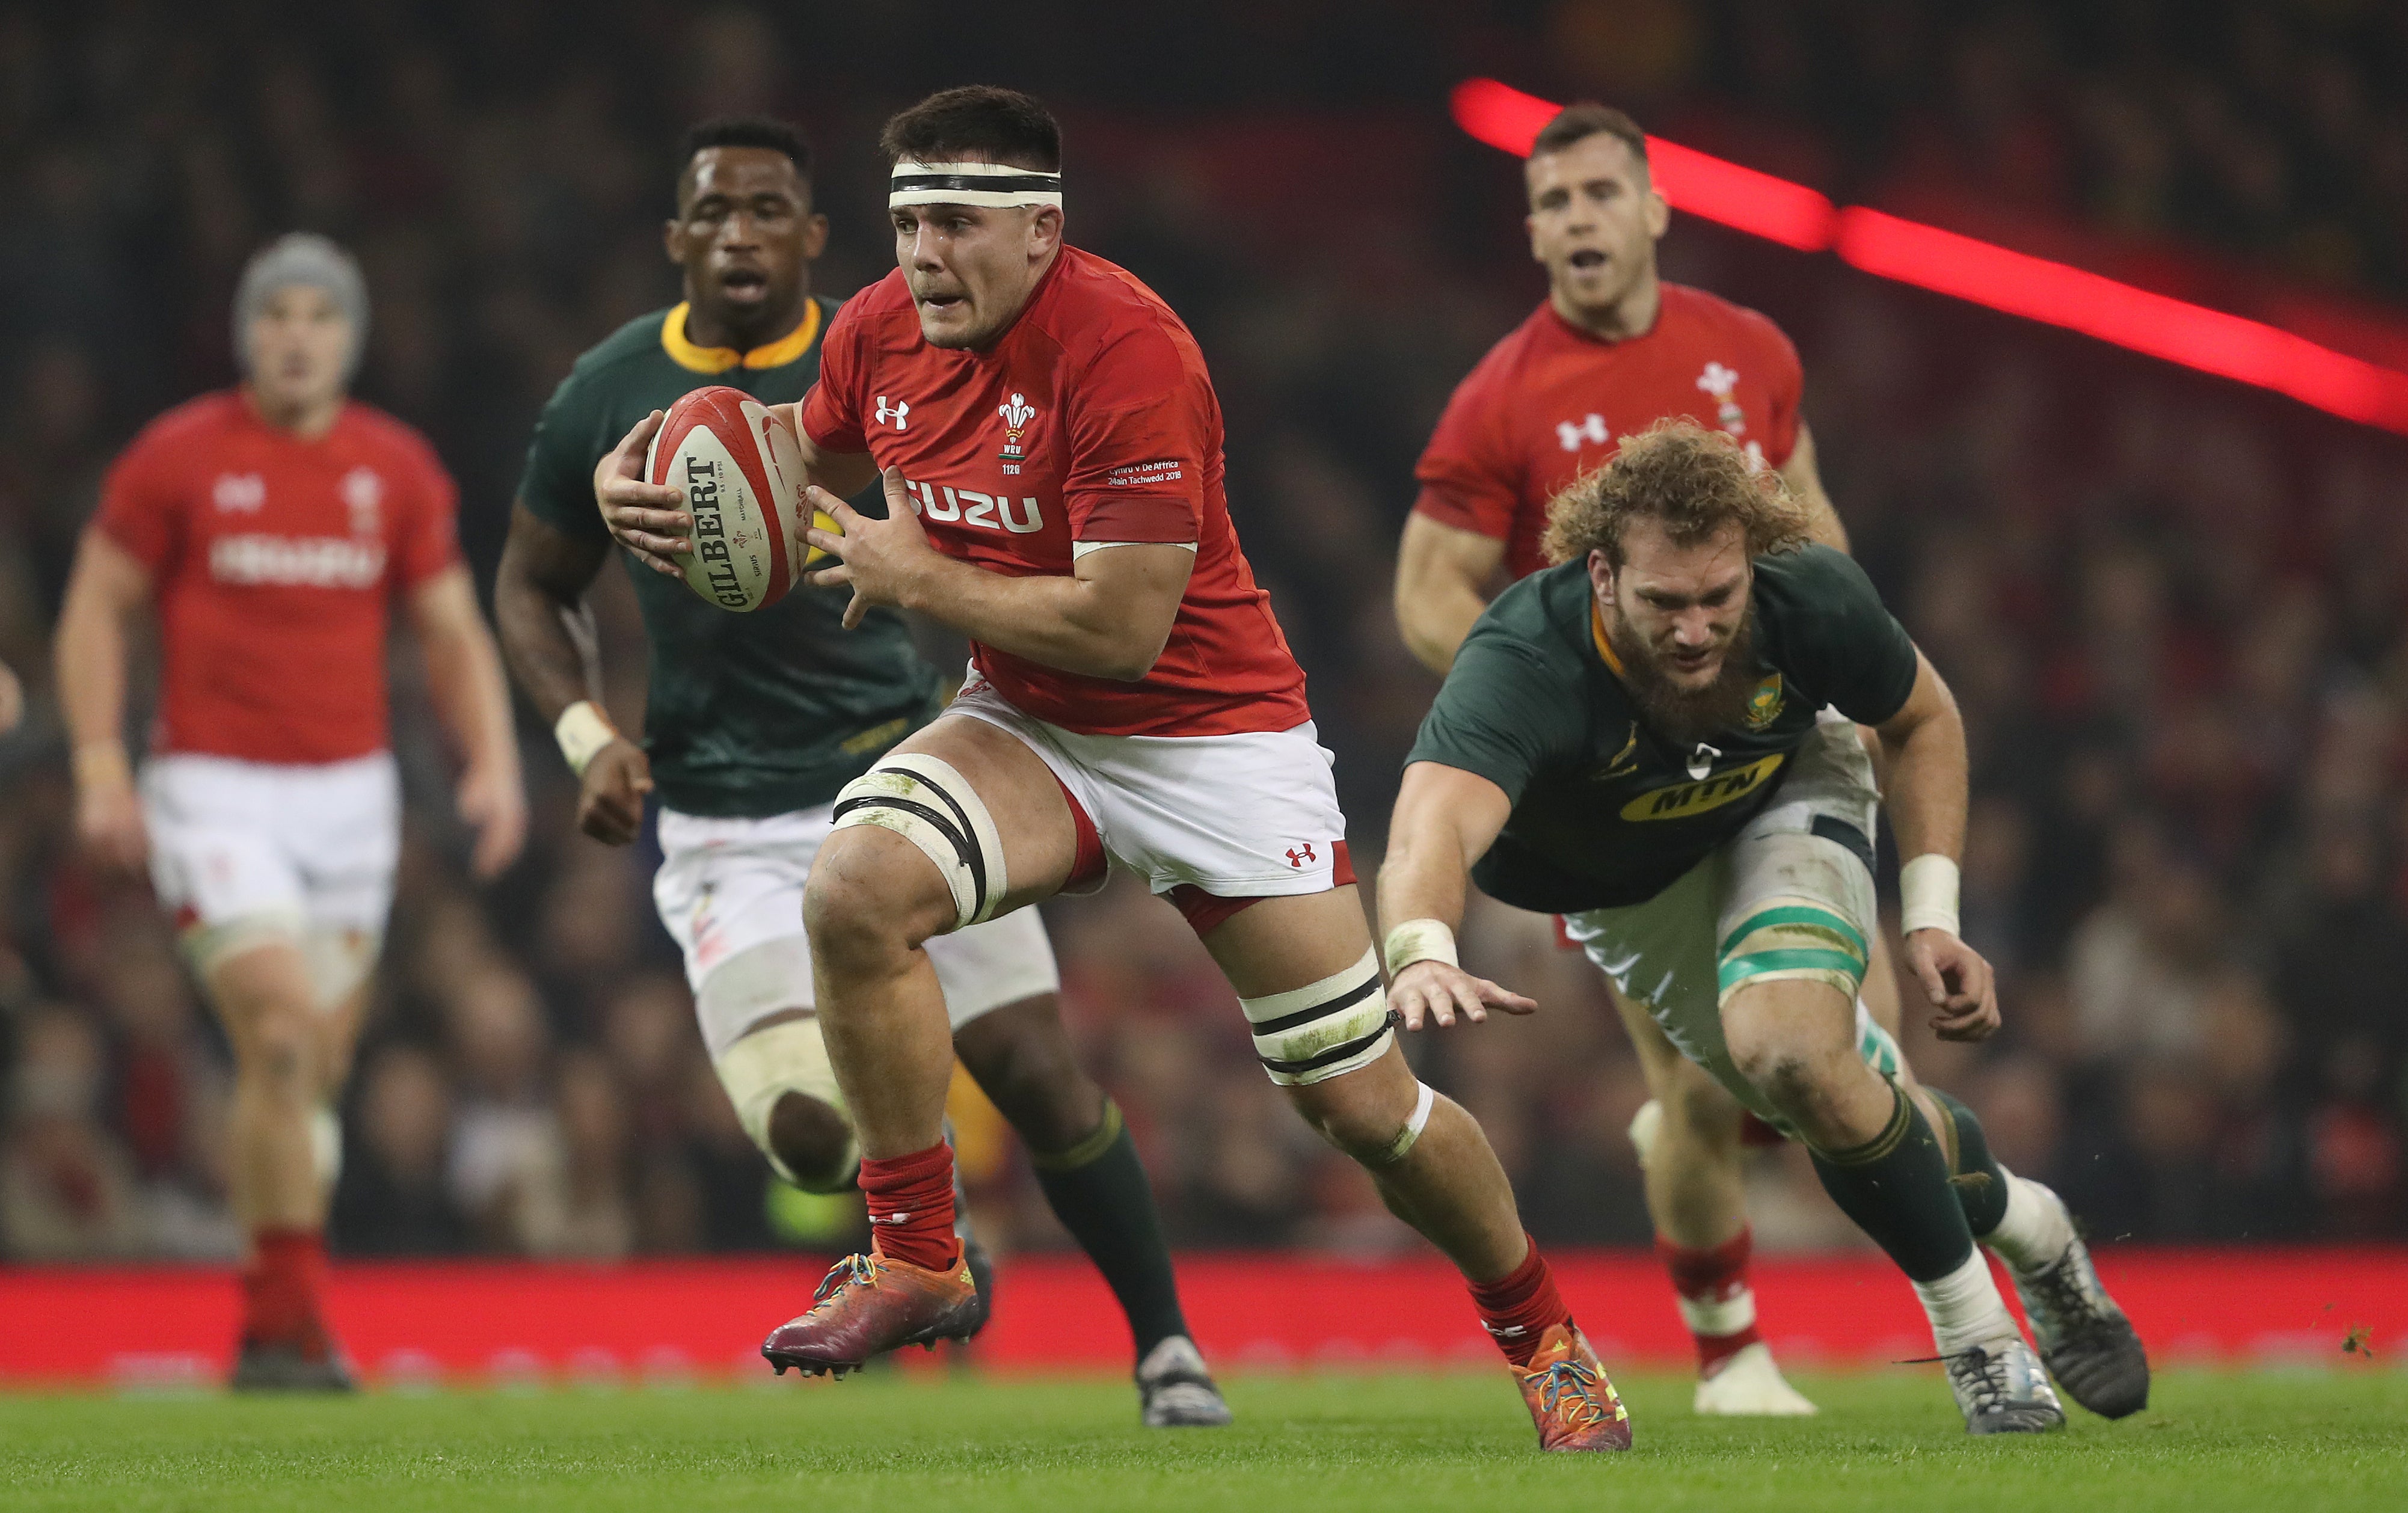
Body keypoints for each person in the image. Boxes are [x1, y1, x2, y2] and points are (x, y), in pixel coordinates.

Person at [595, 86, 1630, 1453]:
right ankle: (919, 1254)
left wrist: (919, 573)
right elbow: (800, 442)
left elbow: (1124, 629)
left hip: (1210, 739)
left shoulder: (1131, 348)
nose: (921, 254)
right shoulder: (879, 329)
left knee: (1361, 1105)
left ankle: (1544, 1337)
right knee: (855, 885)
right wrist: (668, 467)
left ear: (1041, 230)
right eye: (907, 221)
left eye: (956, 222)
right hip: (1034, 728)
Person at [494, 116, 1229, 1427]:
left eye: (765, 210)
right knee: (806, 1135)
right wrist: (582, 732)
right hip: (724, 819)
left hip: (899, 772)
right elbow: (528, 585)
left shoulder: (894, 349)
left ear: (810, 234)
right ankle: (932, 1249)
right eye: (711, 213)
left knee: (1042, 1079)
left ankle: (1167, 1346)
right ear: (676, 238)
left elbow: (1013, 525)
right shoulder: (608, 395)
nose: (738, 236)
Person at [1379, 419, 2151, 1434]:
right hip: (1628, 892)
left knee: (1786, 1048)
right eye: (1665, 603)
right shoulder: (1525, 658)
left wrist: (1929, 917)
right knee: (1851, 1098)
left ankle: (1983, 1349)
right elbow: (1428, 829)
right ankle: (2034, 1227)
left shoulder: (1809, 595)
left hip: (1785, 797)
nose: (1696, 630)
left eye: (1718, 598)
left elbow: (1924, 719)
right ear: (1602, 575)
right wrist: (1424, 947)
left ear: (1751, 565)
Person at [1396, 101, 1897, 1414]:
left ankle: (1971, 1297)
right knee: (1692, 1082)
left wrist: (1842, 682)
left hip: (1777, 748)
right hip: (1622, 795)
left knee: (1856, 1055)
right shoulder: (1500, 394)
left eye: (1599, 195)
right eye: (1552, 204)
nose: (1577, 222)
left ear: (1654, 209)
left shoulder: (1747, 349)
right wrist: (1545, 702)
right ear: (1532, 234)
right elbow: (1425, 591)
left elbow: (1813, 527)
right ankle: (1730, 1353)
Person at [55, 233, 526, 1390]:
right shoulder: (179, 458)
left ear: (352, 337)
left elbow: (452, 629)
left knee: (307, 1077)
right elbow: (94, 611)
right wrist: (103, 769)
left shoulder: (396, 469)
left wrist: (495, 764)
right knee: (274, 1034)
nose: (296, 337)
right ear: (245, 333)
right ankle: (285, 1326)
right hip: (214, 793)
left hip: (350, 806)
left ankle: (275, 1313)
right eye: (277, 317)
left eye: (319, 317)